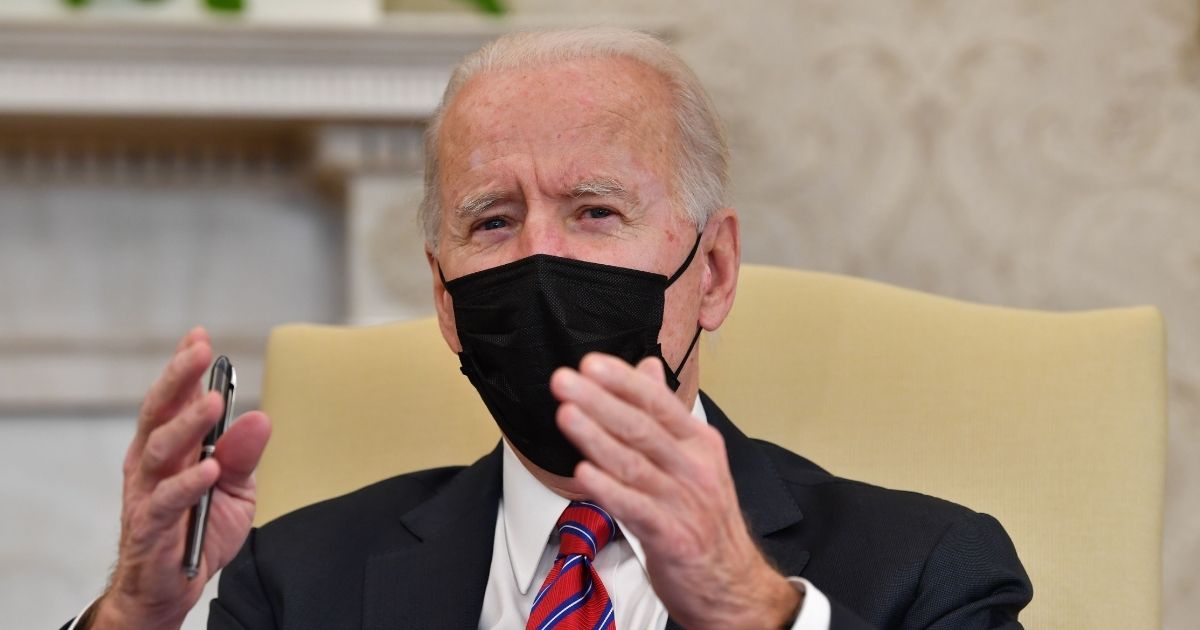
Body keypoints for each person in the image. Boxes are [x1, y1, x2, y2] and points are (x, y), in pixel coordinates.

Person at [64, 27, 1031, 630]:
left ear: (717, 272)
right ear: (445, 302)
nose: (539, 258)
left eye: (596, 211)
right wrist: (134, 616)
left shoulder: (929, 570)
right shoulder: (297, 580)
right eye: (492, 221)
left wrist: (753, 611)